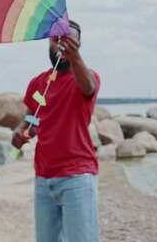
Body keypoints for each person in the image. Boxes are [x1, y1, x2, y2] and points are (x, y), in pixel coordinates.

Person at [12, 20, 101, 242]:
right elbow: (33, 118)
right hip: (43, 178)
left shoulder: (87, 77)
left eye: (69, 39)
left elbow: (88, 87)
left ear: (79, 44)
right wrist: (21, 133)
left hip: (77, 177)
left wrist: (75, 57)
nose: (61, 44)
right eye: (56, 39)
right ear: (49, 43)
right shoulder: (37, 83)